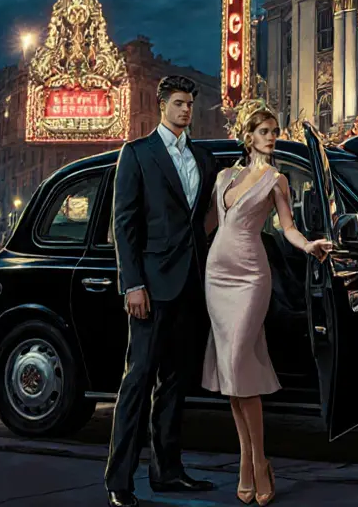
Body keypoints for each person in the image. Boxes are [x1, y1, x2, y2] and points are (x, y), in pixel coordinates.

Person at [203, 103, 332, 505]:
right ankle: (248, 461)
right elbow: (207, 225)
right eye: (265, 131)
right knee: (232, 373)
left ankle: (258, 460)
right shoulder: (224, 176)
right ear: (249, 137)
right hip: (216, 275)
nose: (272, 137)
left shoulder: (277, 180)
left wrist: (308, 245)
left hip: (250, 276)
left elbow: (288, 227)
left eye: (275, 131)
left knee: (238, 360)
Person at [104, 76, 217, 507]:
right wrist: (132, 283)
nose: (185, 110)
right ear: (162, 106)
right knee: (137, 382)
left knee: (174, 384)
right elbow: (124, 224)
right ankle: (119, 481)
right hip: (150, 286)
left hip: (190, 285)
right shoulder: (137, 153)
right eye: (178, 103)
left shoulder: (202, 158)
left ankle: (167, 472)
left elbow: (204, 218)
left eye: (190, 104)